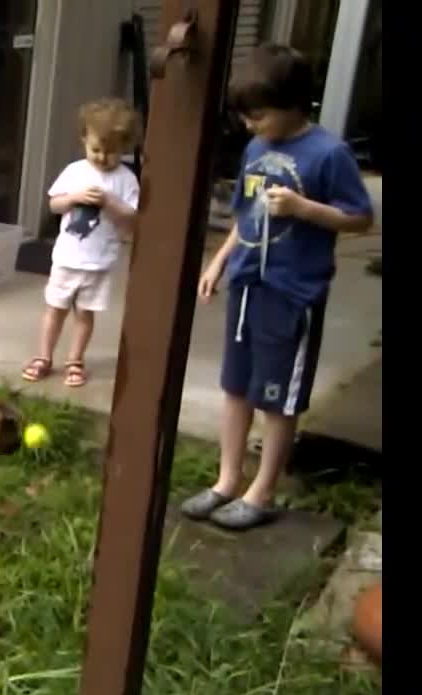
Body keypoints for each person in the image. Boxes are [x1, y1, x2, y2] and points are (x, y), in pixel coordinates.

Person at [180, 44, 373, 531]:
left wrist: (305, 210)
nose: (250, 125)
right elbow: (247, 215)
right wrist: (219, 262)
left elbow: (360, 218)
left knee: (276, 397)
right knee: (236, 388)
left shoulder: (330, 154)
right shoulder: (256, 148)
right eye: (245, 116)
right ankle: (227, 481)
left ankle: (262, 492)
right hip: (247, 284)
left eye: (259, 116)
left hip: (292, 292)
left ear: (293, 105)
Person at [21, 98, 140, 388]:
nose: (101, 157)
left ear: (124, 148)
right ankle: (44, 356)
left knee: (84, 315)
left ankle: (75, 360)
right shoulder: (75, 171)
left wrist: (109, 201)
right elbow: (55, 204)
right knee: (55, 309)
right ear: (84, 139)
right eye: (95, 149)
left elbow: (132, 217)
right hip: (67, 258)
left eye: (110, 153)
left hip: (98, 262)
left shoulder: (126, 180)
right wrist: (73, 197)